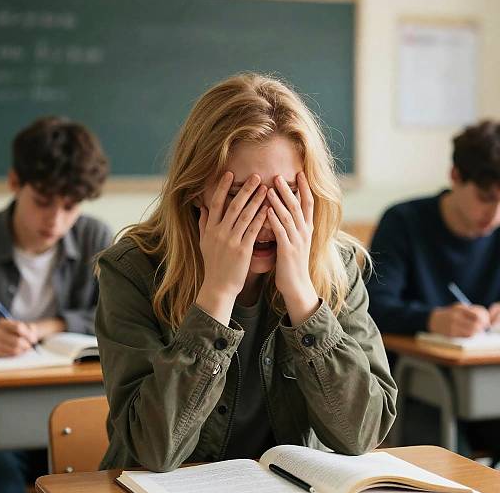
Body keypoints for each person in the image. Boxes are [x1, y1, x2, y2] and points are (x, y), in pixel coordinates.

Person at [96, 73, 397, 472]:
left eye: (286, 192)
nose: (267, 219)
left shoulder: (334, 265)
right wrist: (217, 295)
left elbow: (362, 434)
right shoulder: (131, 270)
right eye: (241, 196)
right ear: (195, 192)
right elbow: (154, 451)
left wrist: (304, 302)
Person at [0, 116, 112, 493]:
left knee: (106, 479)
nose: (55, 221)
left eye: (69, 207)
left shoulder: (95, 236)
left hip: (74, 411)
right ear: (14, 183)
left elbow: (112, 314)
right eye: (42, 202)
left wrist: (47, 326)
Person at [367, 120, 500, 460]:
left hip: (488, 383)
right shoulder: (403, 222)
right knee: (443, 462)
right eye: (486, 198)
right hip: (416, 387)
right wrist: (433, 319)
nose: (495, 214)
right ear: (455, 176)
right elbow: (373, 309)